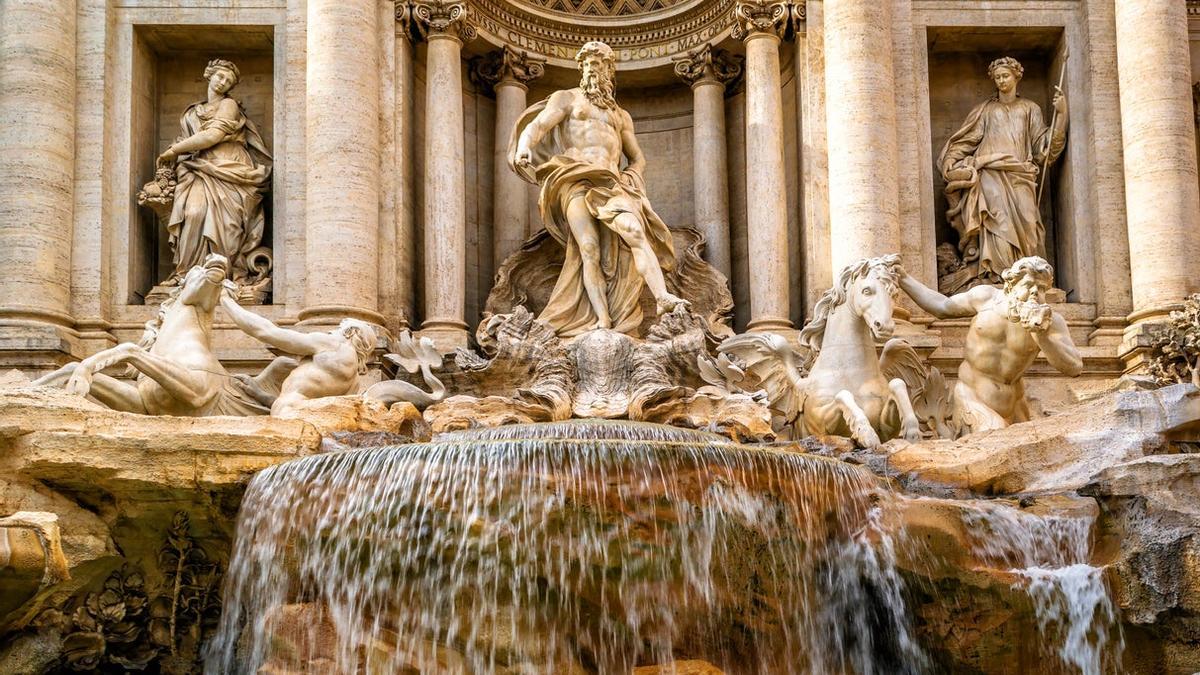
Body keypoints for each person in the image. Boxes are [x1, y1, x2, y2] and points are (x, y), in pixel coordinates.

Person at [509, 41, 687, 338]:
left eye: (599, 63)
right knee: (588, 248)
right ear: (582, 69)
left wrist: (632, 175)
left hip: (611, 182)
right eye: (588, 63)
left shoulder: (621, 116)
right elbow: (538, 126)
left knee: (635, 231)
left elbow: (638, 157)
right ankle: (602, 320)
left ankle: (662, 297)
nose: (593, 68)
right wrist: (524, 148)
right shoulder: (566, 99)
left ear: (609, 70)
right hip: (574, 179)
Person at [898, 256, 1082, 434]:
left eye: (1041, 288)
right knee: (998, 443)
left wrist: (1041, 334)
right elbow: (941, 306)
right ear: (1011, 285)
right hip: (972, 397)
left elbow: (1074, 367)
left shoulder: (1051, 322)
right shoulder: (985, 298)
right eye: (1028, 285)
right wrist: (904, 278)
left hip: (1015, 404)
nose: (1035, 292)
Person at [938, 57, 1067, 293]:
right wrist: (950, 161)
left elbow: (1044, 148)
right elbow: (966, 141)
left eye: (1005, 76)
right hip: (990, 175)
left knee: (1029, 222)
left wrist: (1061, 116)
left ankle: (1028, 276)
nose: (1001, 81)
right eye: (997, 77)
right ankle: (996, 277)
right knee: (996, 221)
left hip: (1020, 174)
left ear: (1017, 76)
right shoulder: (985, 110)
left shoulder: (1030, 109)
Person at [157, 59, 272, 286]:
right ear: (208, 75)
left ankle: (221, 277)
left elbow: (212, 136)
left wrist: (173, 150)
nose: (223, 83)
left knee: (227, 226)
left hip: (229, 167)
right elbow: (189, 139)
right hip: (199, 168)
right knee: (193, 213)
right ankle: (187, 275)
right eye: (220, 77)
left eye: (228, 81)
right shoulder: (192, 111)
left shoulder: (229, 106)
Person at [219, 292, 377, 417]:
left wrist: (226, 300)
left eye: (338, 329)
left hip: (287, 417)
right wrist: (259, 394)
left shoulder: (334, 345)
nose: (331, 332)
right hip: (299, 418)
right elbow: (304, 405)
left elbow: (266, 331)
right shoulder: (354, 382)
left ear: (350, 332)